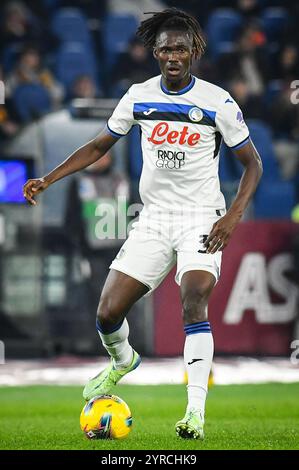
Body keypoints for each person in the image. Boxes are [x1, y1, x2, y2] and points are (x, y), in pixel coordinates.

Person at [23, 8, 263, 440]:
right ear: (155, 52)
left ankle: (194, 414)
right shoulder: (138, 95)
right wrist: (48, 178)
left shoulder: (217, 101)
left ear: (193, 52)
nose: (173, 55)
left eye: (181, 48)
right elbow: (99, 145)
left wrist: (232, 215)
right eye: (166, 48)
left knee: (194, 300)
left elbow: (253, 164)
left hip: (201, 219)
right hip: (152, 218)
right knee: (107, 312)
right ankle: (122, 361)